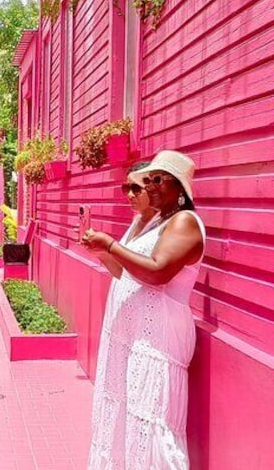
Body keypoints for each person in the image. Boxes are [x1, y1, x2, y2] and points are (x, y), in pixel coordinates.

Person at [81, 150, 205, 469]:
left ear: (180, 188)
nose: (149, 186)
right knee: (131, 415)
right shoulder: (155, 222)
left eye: (158, 179)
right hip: (135, 338)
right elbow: (130, 272)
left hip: (160, 339)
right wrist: (104, 253)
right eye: (147, 179)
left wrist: (110, 245)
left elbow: (157, 271)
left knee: (152, 419)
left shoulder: (185, 222)